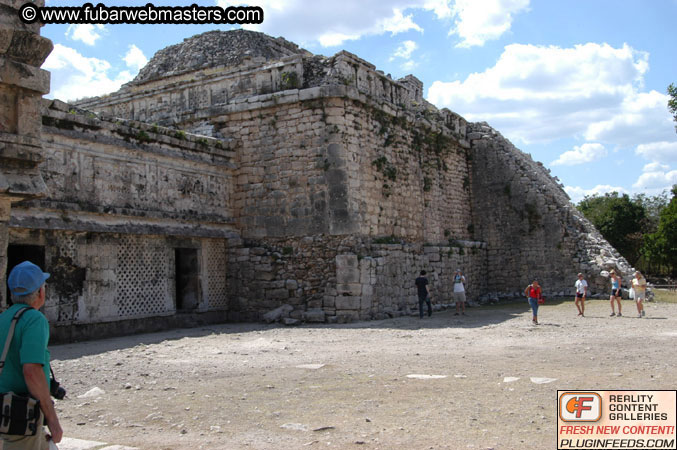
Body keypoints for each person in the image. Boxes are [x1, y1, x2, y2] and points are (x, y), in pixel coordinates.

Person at [0, 261, 63, 449]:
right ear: (40, 293)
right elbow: (32, 371)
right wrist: (52, 419)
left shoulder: (3, 318)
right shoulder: (34, 319)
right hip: (19, 414)